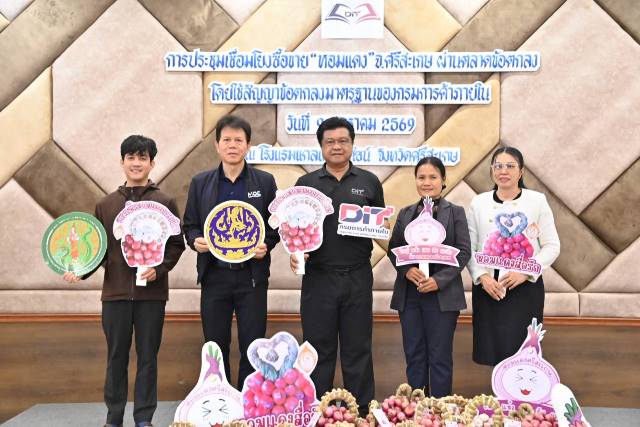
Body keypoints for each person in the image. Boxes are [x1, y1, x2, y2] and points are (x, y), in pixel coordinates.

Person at [63, 135, 185, 427]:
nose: (136, 163)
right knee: (116, 357)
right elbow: (97, 249)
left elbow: (176, 245)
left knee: (148, 358)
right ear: (122, 162)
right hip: (115, 295)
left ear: (152, 163)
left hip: (152, 296)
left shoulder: (164, 202)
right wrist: (80, 270)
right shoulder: (106, 205)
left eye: (143, 158)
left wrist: (159, 269)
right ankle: (113, 417)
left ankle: (144, 418)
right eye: (131, 157)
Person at [290, 117, 385, 415]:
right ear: (321, 146)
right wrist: (296, 252)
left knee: (358, 347)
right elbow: (294, 230)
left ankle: (362, 411)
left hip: (358, 276)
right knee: (318, 348)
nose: (337, 146)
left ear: (352, 144)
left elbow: (380, 226)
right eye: (330, 141)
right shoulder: (306, 185)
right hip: (319, 277)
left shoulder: (369, 182)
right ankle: (316, 410)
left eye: (343, 141)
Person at [183, 115, 279, 389]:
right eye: (226, 140)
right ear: (217, 145)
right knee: (215, 344)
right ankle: (220, 396)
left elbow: (274, 226)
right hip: (214, 276)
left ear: (248, 145)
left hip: (252, 277)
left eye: (238, 140)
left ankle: (248, 399)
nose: (232, 145)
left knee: (253, 344)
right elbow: (190, 225)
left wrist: (266, 244)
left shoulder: (265, 182)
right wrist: (196, 240)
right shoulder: (201, 182)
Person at [467, 146, 560, 366]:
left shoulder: (537, 201)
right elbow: (469, 247)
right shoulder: (479, 202)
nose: (503, 171)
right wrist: (482, 277)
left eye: (510, 166)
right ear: (492, 170)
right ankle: (497, 389)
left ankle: (521, 389)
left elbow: (552, 246)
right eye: (498, 166)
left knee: (523, 353)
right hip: (489, 288)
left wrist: (525, 272)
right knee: (491, 350)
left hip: (524, 289)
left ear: (521, 171)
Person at [388, 156, 470, 397]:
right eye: (421, 177)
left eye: (433, 177)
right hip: (410, 296)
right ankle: (416, 408)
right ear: (415, 181)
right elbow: (394, 249)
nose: (427, 182)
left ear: (443, 180)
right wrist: (406, 270)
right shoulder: (405, 213)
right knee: (414, 354)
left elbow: (464, 252)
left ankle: (440, 409)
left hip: (442, 297)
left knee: (440, 357)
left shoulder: (455, 212)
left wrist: (438, 280)